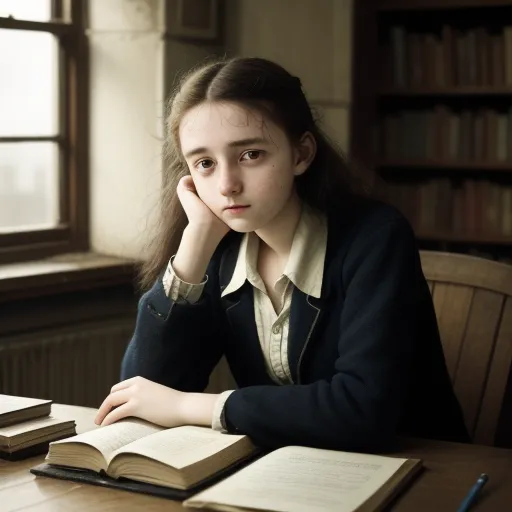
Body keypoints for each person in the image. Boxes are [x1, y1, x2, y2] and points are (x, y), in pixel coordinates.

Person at [94, 57, 469, 451]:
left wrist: (189, 406)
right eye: (204, 163)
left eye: (250, 155)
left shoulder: (376, 238)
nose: (226, 185)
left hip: (417, 470)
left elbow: (362, 411)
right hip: (291, 472)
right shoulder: (220, 253)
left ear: (301, 153)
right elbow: (141, 393)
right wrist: (194, 245)